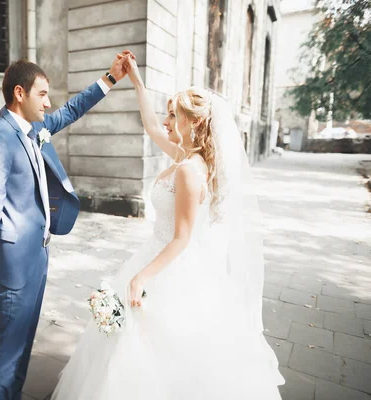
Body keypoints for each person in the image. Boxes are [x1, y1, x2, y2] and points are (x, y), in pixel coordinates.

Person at [51, 56, 285, 400]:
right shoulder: (186, 157)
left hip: (170, 265)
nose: (167, 120)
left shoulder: (189, 169)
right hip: (156, 252)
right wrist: (137, 82)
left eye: (174, 114)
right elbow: (150, 126)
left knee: (151, 352)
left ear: (194, 121)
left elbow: (183, 238)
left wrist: (141, 277)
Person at [0, 51, 133, 400]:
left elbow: (71, 110)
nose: (48, 101)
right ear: (20, 93)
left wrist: (111, 77)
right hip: (16, 260)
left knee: (24, 337)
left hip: (39, 254)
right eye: (42, 93)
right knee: (8, 342)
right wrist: (12, 235)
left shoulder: (36, 128)